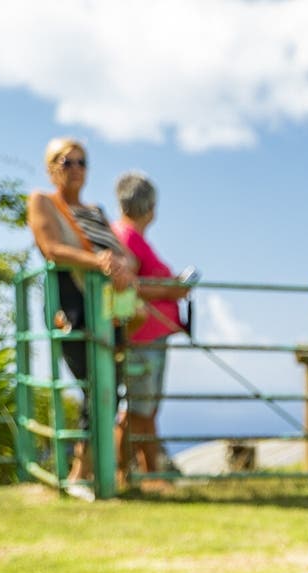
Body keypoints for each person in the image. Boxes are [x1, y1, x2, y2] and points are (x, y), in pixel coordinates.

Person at [25, 136, 134, 496]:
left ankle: (88, 472)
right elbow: (51, 249)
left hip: (106, 309)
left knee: (108, 389)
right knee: (92, 385)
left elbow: (122, 255)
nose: (74, 169)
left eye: (81, 162)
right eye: (65, 161)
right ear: (50, 166)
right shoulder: (43, 201)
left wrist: (120, 268)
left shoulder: (97, 211)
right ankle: (79, 473)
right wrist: (100, 263)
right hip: (71, 305)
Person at [112, 171, 194, 485]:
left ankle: (145, 474)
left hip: (151, 335)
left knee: (144, 409)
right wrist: (171, 290)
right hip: (143, 336)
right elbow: (127, 285)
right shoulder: (127, 237)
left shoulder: (131, 236)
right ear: (151, 207)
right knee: (138, 410)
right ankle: (132, 474)